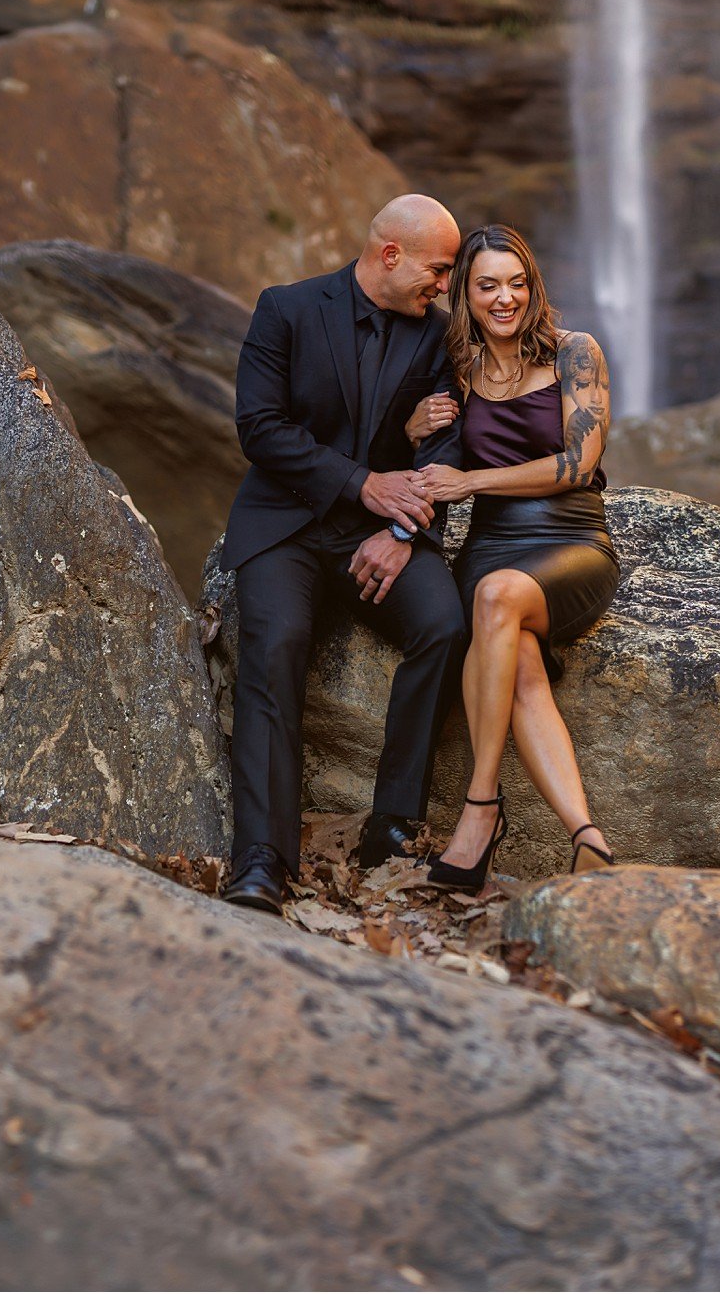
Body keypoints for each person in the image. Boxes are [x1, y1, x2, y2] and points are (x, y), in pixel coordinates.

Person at [222, 193, 468, 914]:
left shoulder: (440, 334)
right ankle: (262, 858)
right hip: (288, 526)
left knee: (445, 625)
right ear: (390, 254)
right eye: (439, 269)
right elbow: (260, 427)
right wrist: (365, 486)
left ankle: (392, 825)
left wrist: (401, 533)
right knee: (276, 645)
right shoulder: (286, 309)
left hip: (381, 533)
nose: (444, 287)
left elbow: (449, 441)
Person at [406, 222, 620, 889]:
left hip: (573, 540)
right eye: (487, 285)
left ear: (534, 286)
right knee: (516, 650)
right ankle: (588, 837)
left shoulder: (574, 353)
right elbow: (418, 458)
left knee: (498, 598)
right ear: (465, 295)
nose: (505, 298)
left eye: (516, 282)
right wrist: (411, 429)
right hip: (491, 543)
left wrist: (472, 480)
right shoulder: (458, 370)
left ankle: (481, 805)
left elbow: (578, 462)